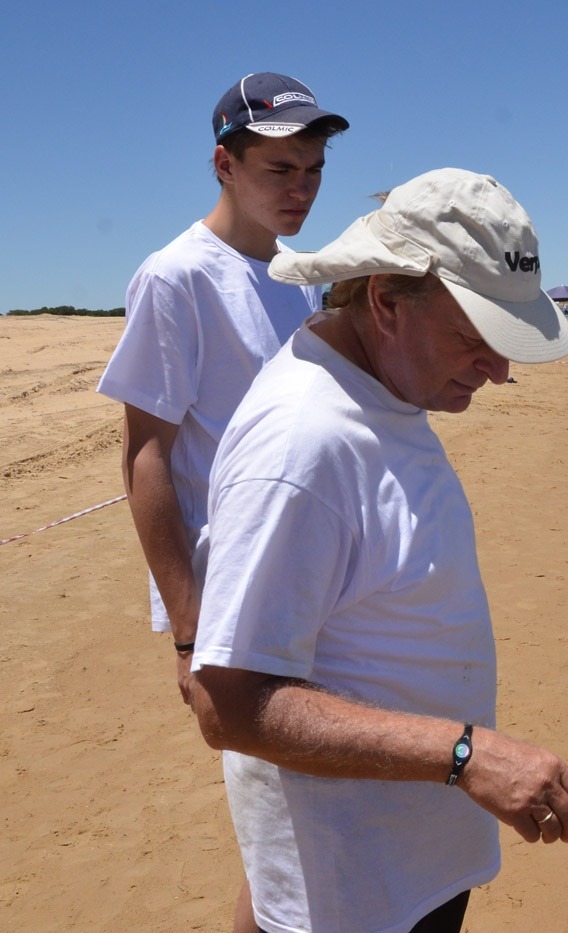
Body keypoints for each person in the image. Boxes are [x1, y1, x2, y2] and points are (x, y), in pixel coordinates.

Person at [188, 168, 568, 933]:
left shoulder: (381, 385)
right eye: (476, 338)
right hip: (354, 894)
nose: (500, 370)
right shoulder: (303, 442)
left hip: (405, 865)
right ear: (383, 300)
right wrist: (467, 754)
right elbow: (228, 703)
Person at [97, 72, 349, 703]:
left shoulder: (302, 278)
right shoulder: (177, 276)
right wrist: (188, 629)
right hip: (233, 584)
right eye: (280, 168)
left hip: (312, 567)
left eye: (314, 170)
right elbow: (144, 455)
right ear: (224, 163)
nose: (302, 189)